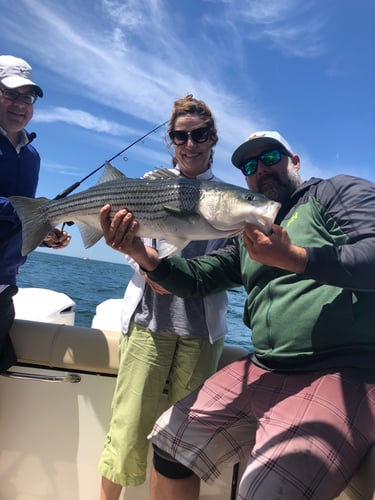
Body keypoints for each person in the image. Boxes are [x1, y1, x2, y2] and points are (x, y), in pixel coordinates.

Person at [103, 130, 375, 499]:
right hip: (266, 366)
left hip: (342, 370)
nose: (261, 170)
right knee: (169, 443)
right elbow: (200, 278)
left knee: (265, 491)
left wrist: (295, 258)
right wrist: (146, 258)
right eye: (249, 165)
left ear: (294, 161)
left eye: (270, 158)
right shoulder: (250, 234)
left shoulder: (334, 193)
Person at [98, 95, 236, 499]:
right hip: (148, 322)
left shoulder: (230, 198)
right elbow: (131, 245)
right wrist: (144, 266)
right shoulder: (148, 184)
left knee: (183, 444)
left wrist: (177, 274)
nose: (190, 144)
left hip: (201, 331)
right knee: (126, 429)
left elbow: (232, 262)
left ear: (213, 138)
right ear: (171, 142)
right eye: (181, 136)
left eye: (200, 135)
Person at [0, 55, 71, 372]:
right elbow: (19, 212)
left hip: (4, 287)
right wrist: (37, 213)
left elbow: (17, 221)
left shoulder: (32, 156)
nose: (20, 104)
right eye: (11, 94)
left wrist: (43, 234)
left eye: (26, 97)